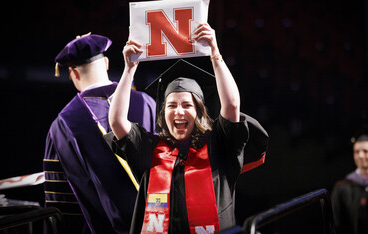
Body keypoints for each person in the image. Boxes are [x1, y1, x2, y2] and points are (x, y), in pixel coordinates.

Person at [105, 24, 268, 233]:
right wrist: (129, 69)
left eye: (187, 105)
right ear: (163, 113)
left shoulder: (219, 145)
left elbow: (232, 106)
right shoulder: (149, 149)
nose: (179, 111)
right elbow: (117, 121)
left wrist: (215, 54)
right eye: (171, 105)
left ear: (199, 112)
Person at [43, 33, 156, 233]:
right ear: (106, 63)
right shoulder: (146, 103)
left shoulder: (62, 126)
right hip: (158, 221)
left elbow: (61, 199)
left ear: (73, 74)